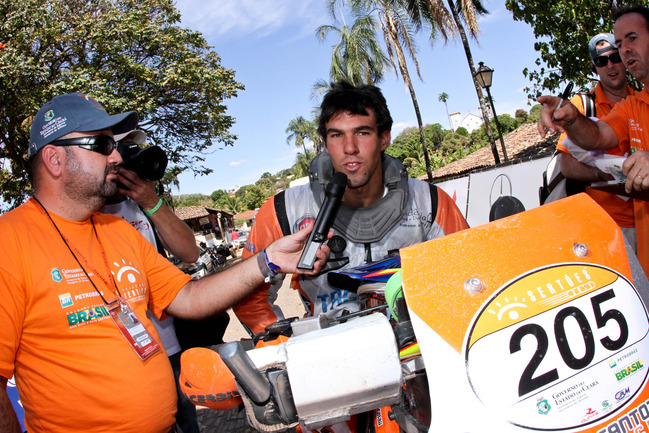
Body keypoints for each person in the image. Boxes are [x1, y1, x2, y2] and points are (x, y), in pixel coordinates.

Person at [0, 92, 330, 433]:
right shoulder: (8, 243)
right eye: (100, 144)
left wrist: (269, 258)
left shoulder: (118, 230)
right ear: (54, 159)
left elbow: (188, 297)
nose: (115, 156)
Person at [234, 81, 469, 335]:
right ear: (325, 143)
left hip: (416, 350)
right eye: (336, 135)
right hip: (331, 357)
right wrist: (285, 346)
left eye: (362, 132)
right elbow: (249, 297)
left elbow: (468, 274)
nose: (349, 148)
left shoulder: (430, 201)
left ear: (384, 137)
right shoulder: (284, 210)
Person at [537, 5, 649, 275]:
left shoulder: (631, 100)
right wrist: (572, 119)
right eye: (603, 60)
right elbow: (595, 137)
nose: (616, 59)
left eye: (631, 39)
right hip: (608, 225)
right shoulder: (626, 106)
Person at [103, 129, 201, 433]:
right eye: (126, 152)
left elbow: (190, 252)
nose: (132, 161)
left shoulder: (141, 206)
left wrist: (151, 201)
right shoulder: (91, 212)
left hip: (168, 345)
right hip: (122, 355)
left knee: (187, 422)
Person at [554, 32, 636, 250]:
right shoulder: (582, 107)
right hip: (609, 226)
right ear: (594, 68)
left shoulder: (641, 101)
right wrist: (604, 175)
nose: (610, 65)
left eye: (615, 57)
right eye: (601, 61)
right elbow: (567, 164)